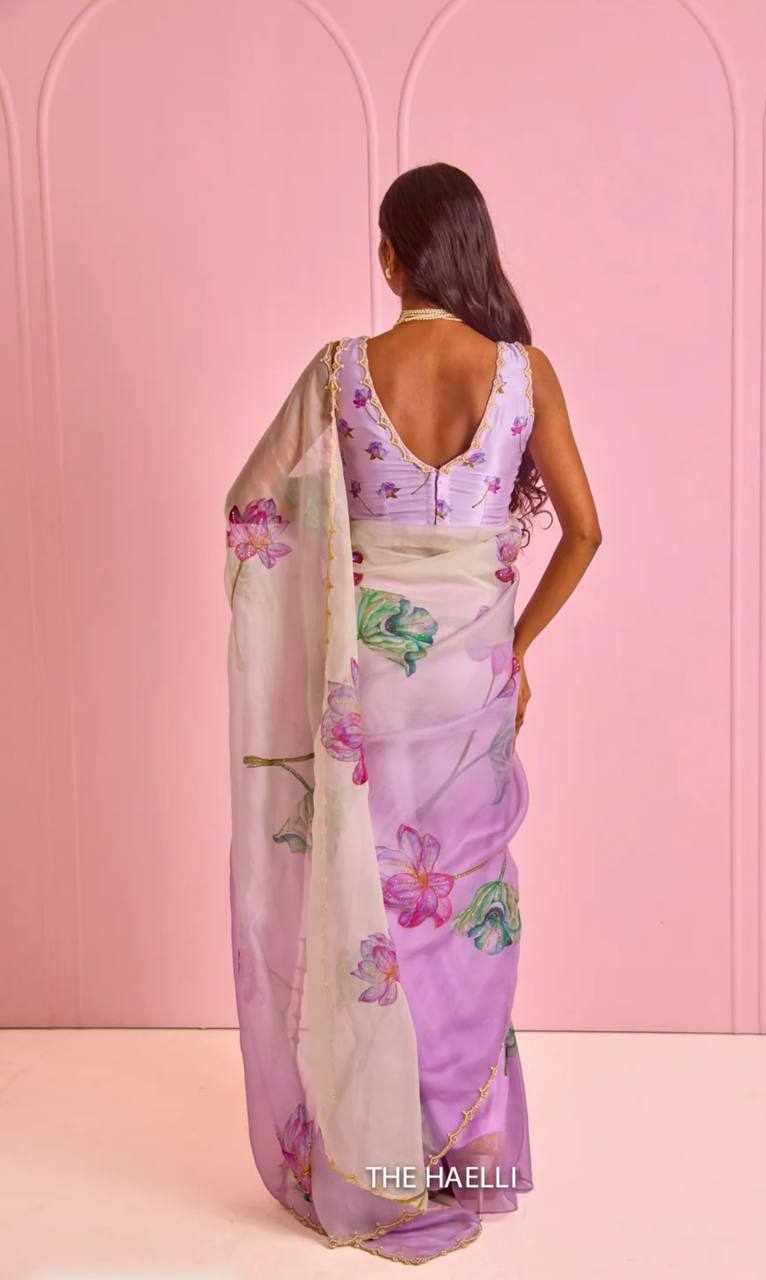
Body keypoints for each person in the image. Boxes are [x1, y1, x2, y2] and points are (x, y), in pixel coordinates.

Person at [224, 161, 602, 1264]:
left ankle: (373, 1154)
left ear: (392, 258)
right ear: (470, 251)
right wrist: (515, 646)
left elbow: (253, 508)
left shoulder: (341, 371)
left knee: (371, 906)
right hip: (473, 681)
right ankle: (454, 1154)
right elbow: (585, 531)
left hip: (371, 679)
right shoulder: (523, 373)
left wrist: (326, 590)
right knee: (463, 906)